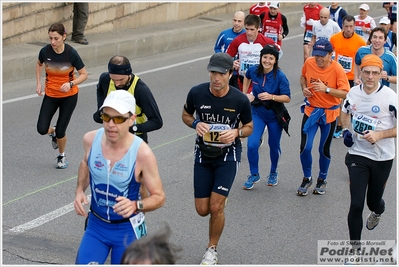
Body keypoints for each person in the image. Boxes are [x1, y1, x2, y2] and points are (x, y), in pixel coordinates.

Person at [74, 90, 166, 265]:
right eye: (106, 117)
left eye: (118, 119)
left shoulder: (143, 153)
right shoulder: (90, 139)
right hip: (96, 226)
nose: (110, 124)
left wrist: (135, 205)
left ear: (132, 119)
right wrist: (79, 190)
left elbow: (159, 197)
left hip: (127, 229)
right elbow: (85, 163)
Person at [181, 53, 253, 265]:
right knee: (202, 210)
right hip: (203, 155)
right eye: (213, 72)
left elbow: (249, 127)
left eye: (221, 73)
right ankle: (217, 201)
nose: (216, 78)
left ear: (230, 74)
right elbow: (185, 115)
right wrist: (195, 124)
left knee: (215, 207)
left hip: (228, 156)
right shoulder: (197, 93)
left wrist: (236, 133)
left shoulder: (239, 99)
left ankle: (211, 249)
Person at [341, 54, 397, 257]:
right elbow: (345, 111)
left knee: (373, 201)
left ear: (380, 74)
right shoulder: (354, 93)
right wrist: (346, 130)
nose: (370, 77)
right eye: (367, 72)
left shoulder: (390, 97)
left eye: (375, 73)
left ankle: (378, 210)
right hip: (358, 154)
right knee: (356, 204)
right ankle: (354, 252)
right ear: (361, 73)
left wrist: (380, 134)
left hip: (382, 156)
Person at [297, 39, 350, 196]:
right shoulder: (309, 62)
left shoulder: (337, 69)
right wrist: (304, 88)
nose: (318, 59)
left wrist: (327, 89)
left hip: (329, 114)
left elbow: (346, 93)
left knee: (323, 149)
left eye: (322, 56)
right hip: (311, 111)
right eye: (316, 55)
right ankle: (307, 178)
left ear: (330, 54)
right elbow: (302, 77)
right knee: (305, 147)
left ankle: (322, 178)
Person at [36, 23, 88, 169]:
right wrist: (38, 83)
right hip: (51, 95)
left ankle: (62, 156)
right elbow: (39, 64)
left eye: (56, 38)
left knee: (61, 131)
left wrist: (71, 83)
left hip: (69, 96)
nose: (53, 42)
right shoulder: (45, 51)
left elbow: (84, 75)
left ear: (64, 37)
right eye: (50, 38)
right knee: (41, 129)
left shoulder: (71, 53)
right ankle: (51, 132)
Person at [242, 44, 291, 189]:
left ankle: (273, 172)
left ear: (275, 60)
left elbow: (287, 98)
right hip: (257, 113)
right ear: (261, 58)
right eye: (265, 57)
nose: (267, 61)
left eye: (271, 58)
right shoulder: (254, 71)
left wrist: (272, 96)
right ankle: (254, 174)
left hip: (274, 115)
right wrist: (246, 94)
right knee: (251, 144)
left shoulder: (280, 76)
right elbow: (246, 77)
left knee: (273, 146)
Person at [93, 55, 163, 144]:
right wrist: (101, 109)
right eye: (113, 79)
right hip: (112, 136)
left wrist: (132, 128)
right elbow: (100, 89)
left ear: (129, 73)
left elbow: (157, 122)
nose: (117, 84)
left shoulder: (141, 90)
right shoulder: (105, 79)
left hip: (135, 138)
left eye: (121, 79)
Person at [329, 15, 366, 138]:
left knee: (349, 102)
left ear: (354, 26)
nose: (349, 29)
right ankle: (339, 127)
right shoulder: (335, 38)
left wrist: (360, 76)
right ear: (342, 26)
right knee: (339, 101)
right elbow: (328, 53)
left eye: (351, 26)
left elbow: (363, 60)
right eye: (346, 26)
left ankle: (351, 123)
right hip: (338, 75)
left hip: (352, 77)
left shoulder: (360, 42)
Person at [226, 14, 281, 93]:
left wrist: (268, 64)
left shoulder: (266, 41)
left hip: (258, 81)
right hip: (242, 80)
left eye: (252, 29)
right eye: (247, 29)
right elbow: (226, 58)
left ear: (258, 28)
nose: (248, 32)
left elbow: (279, 52)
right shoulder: (238, 40)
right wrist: (232, 63)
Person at [214, 11, 246, 88]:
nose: (236, 23)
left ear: (244, 22)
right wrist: (224, 59)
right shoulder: (224, 34)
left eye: (239, 21)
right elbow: (217, 48)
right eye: (235, 20)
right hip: (225, 71)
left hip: (239, 73)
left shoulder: (246, 35)